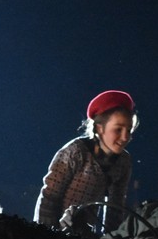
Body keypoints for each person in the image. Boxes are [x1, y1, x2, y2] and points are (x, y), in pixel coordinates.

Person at [34, 90, 137, 231]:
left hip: (85, 236)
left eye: (129, 130)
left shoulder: (123, 162)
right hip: (56, 232)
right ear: (99, 128)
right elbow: (49, 198)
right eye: (118, 129)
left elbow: (116, 209)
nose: (125, 137)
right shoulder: (75, 152)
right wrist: (45, 235)